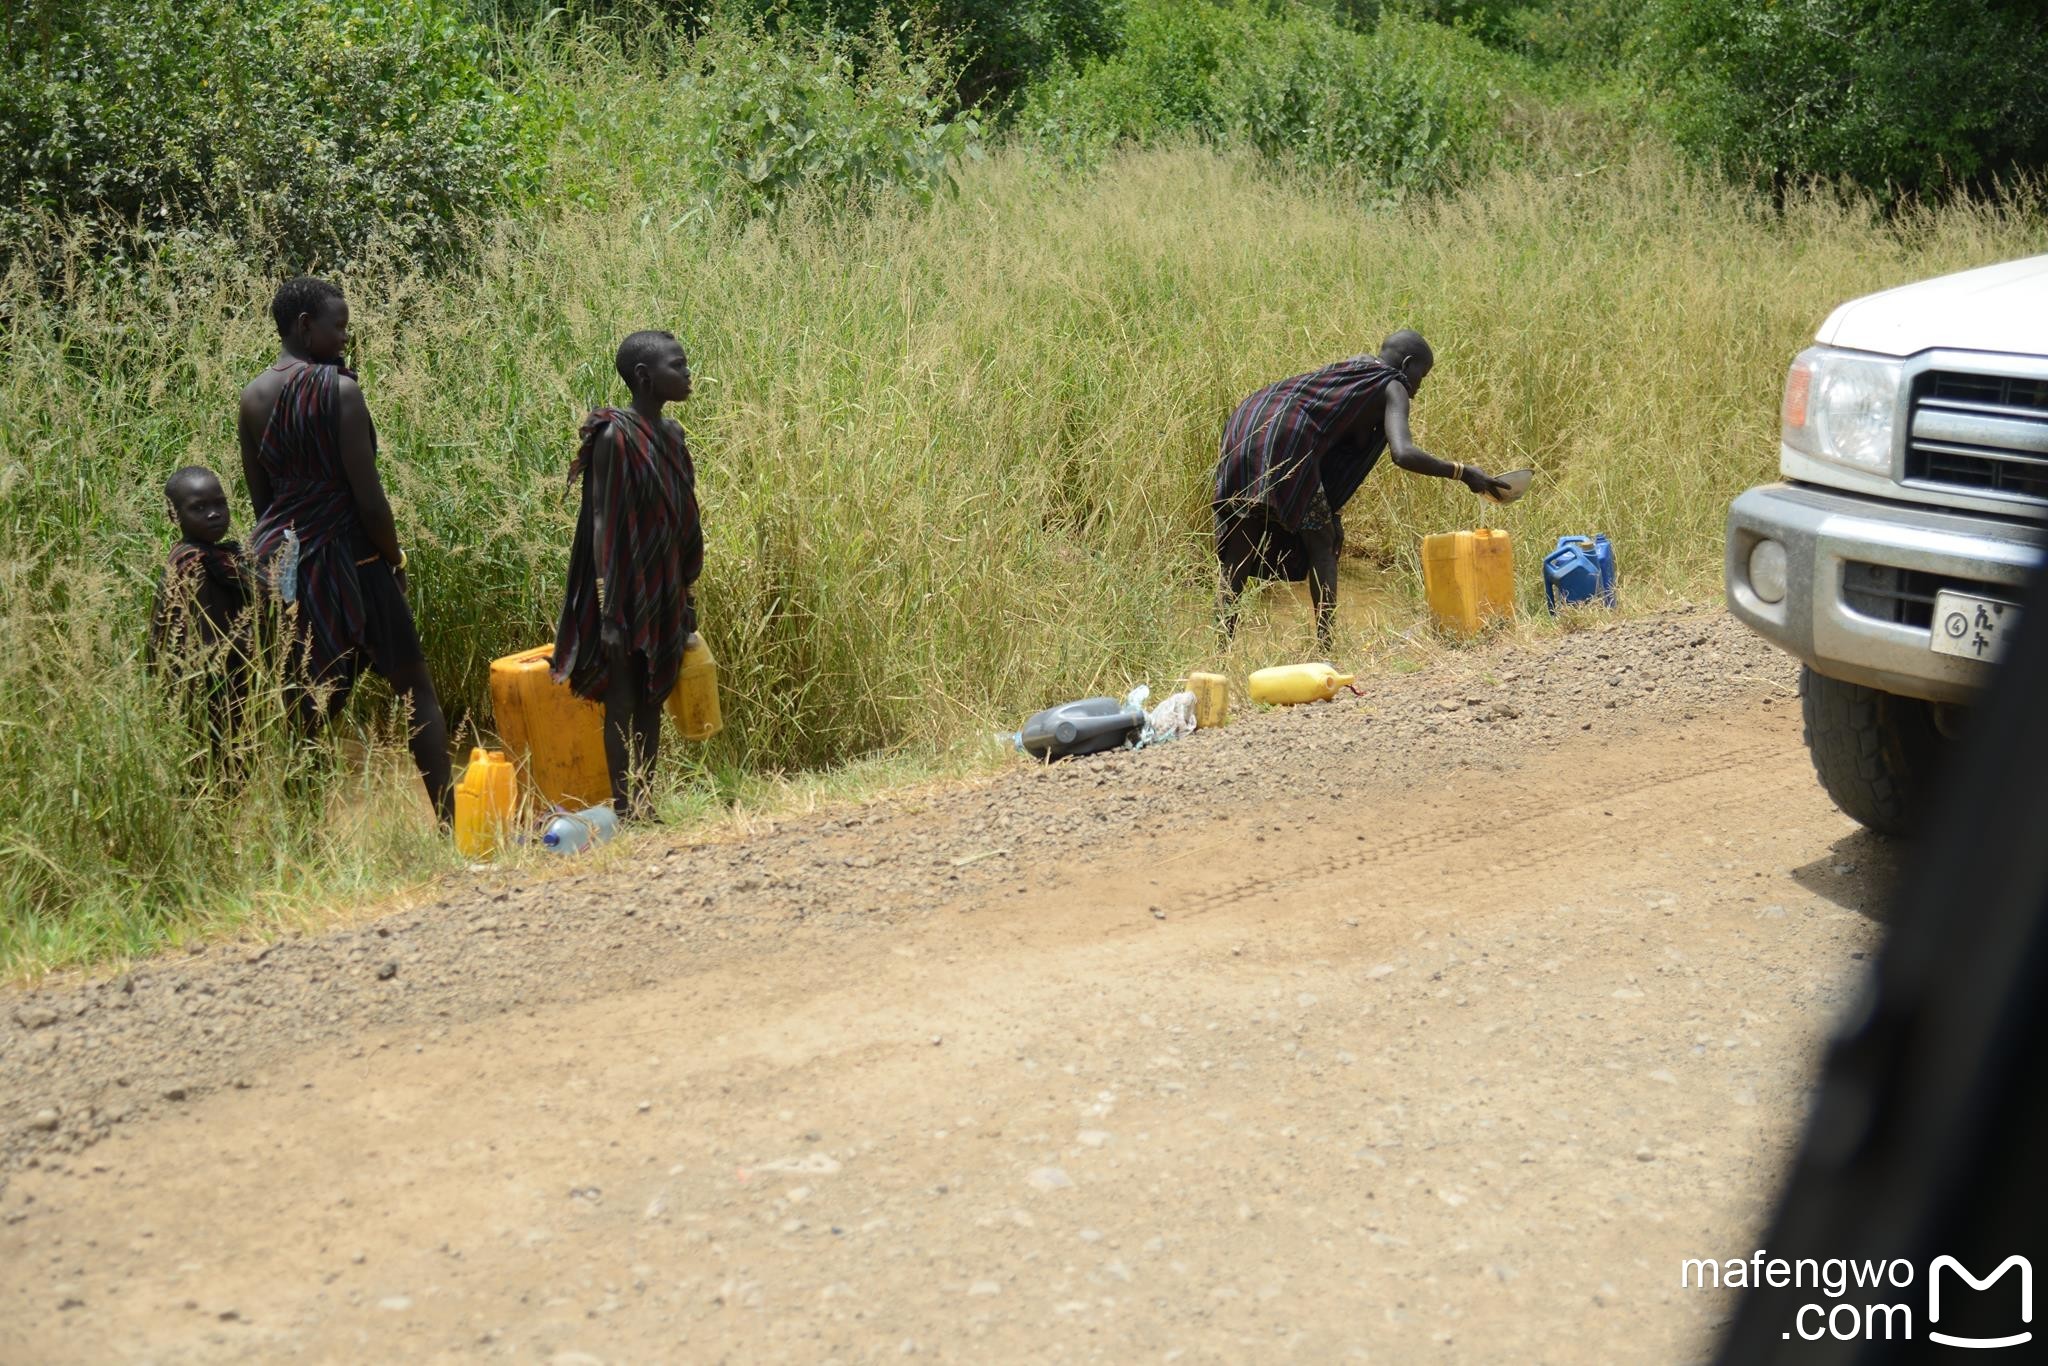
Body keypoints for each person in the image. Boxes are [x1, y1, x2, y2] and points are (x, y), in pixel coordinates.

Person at [237, 276, 452, 823]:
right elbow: (370, 499)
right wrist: (394, 558)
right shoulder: (340, 391)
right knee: (415, 691)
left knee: (307, 710)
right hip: (356, 560)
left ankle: (308, 845)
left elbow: (266, 505)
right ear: (305, 326)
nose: (345, 338)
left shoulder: (253, 398)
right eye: (339, 327)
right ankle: (453, 824)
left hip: (296, 572)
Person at [1213, 329, 1511, 652]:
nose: (1417, 391)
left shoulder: (1354, 366)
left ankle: (1220, 649)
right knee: (1323, 541)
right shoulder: (1392, 384)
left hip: (1249, 419)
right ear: (1408, 364)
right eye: (1421, 377)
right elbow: (1403, 453)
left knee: (1244, 540)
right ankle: (1326, 647)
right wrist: (1464, 473)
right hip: (1285, 434)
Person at [551, 330, 703, 822]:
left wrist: (685, 589)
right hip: (622, 588)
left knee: (653, 695)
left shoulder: (673, 435)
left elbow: (683, 514)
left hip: (664, 583)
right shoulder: (615, 436)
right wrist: (609, 611)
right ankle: (624, 806)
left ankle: (645, 802)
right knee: (621, 699)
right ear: (643, 377)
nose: (686, 374)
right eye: (677, 366)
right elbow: (604, 526)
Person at [147, 465, 254, 756]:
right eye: (199, 508)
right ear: (174, 515)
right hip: (208, 689)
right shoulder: (192, 566)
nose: (214, 514)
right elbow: (202, 644)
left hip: (230, 681)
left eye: (220, 504)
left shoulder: (223, 558)